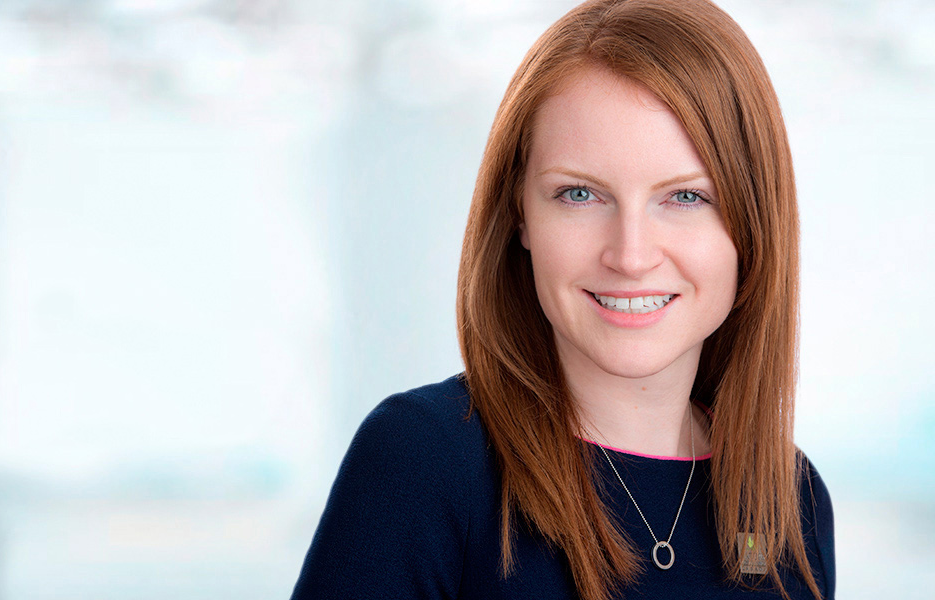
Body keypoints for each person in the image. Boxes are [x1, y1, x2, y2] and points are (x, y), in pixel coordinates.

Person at [289, 0, 835, 598]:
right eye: (579, 194)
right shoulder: (423, 462)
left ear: (754, 223)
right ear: (519, 213)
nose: (630, 256)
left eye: (684, 198)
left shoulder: (793, 504)